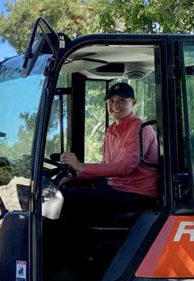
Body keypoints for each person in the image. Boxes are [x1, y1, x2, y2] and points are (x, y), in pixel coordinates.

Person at [58, 82, 159, 225]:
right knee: (67, 187)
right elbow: (106, 166)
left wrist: (81, 166)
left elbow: (125, 167)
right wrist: (73, 175)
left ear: (133, 103)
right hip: (116, 187)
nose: (115, 105)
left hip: (137, 193)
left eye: (122, 100)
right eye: (111, 101)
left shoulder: (139, 128)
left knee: (64, 198)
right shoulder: (111, 130)